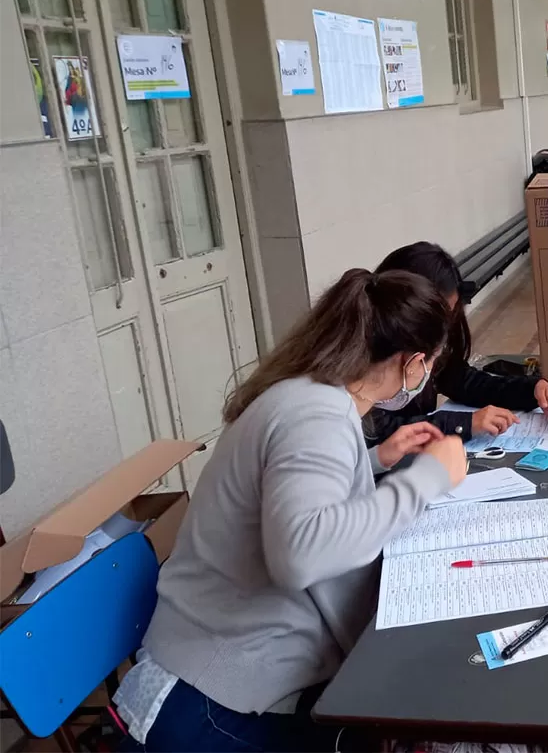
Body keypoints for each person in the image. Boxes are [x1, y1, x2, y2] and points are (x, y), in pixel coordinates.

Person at [114, 269, 469, 752]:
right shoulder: (316, 415)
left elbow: (288, 495)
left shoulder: (308, 396)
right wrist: (426, 479)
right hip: (206, 703)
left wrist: (376, 460)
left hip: (226, 675)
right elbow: (302, 553)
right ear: (413, 362)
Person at [364, 243, 548, 448]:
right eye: (439, 316)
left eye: (449, 315)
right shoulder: (365, 360)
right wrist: (463, 424)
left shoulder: (420, 345)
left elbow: (462, 380)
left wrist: (530, 389)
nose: (444, 328)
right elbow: (376, 434)